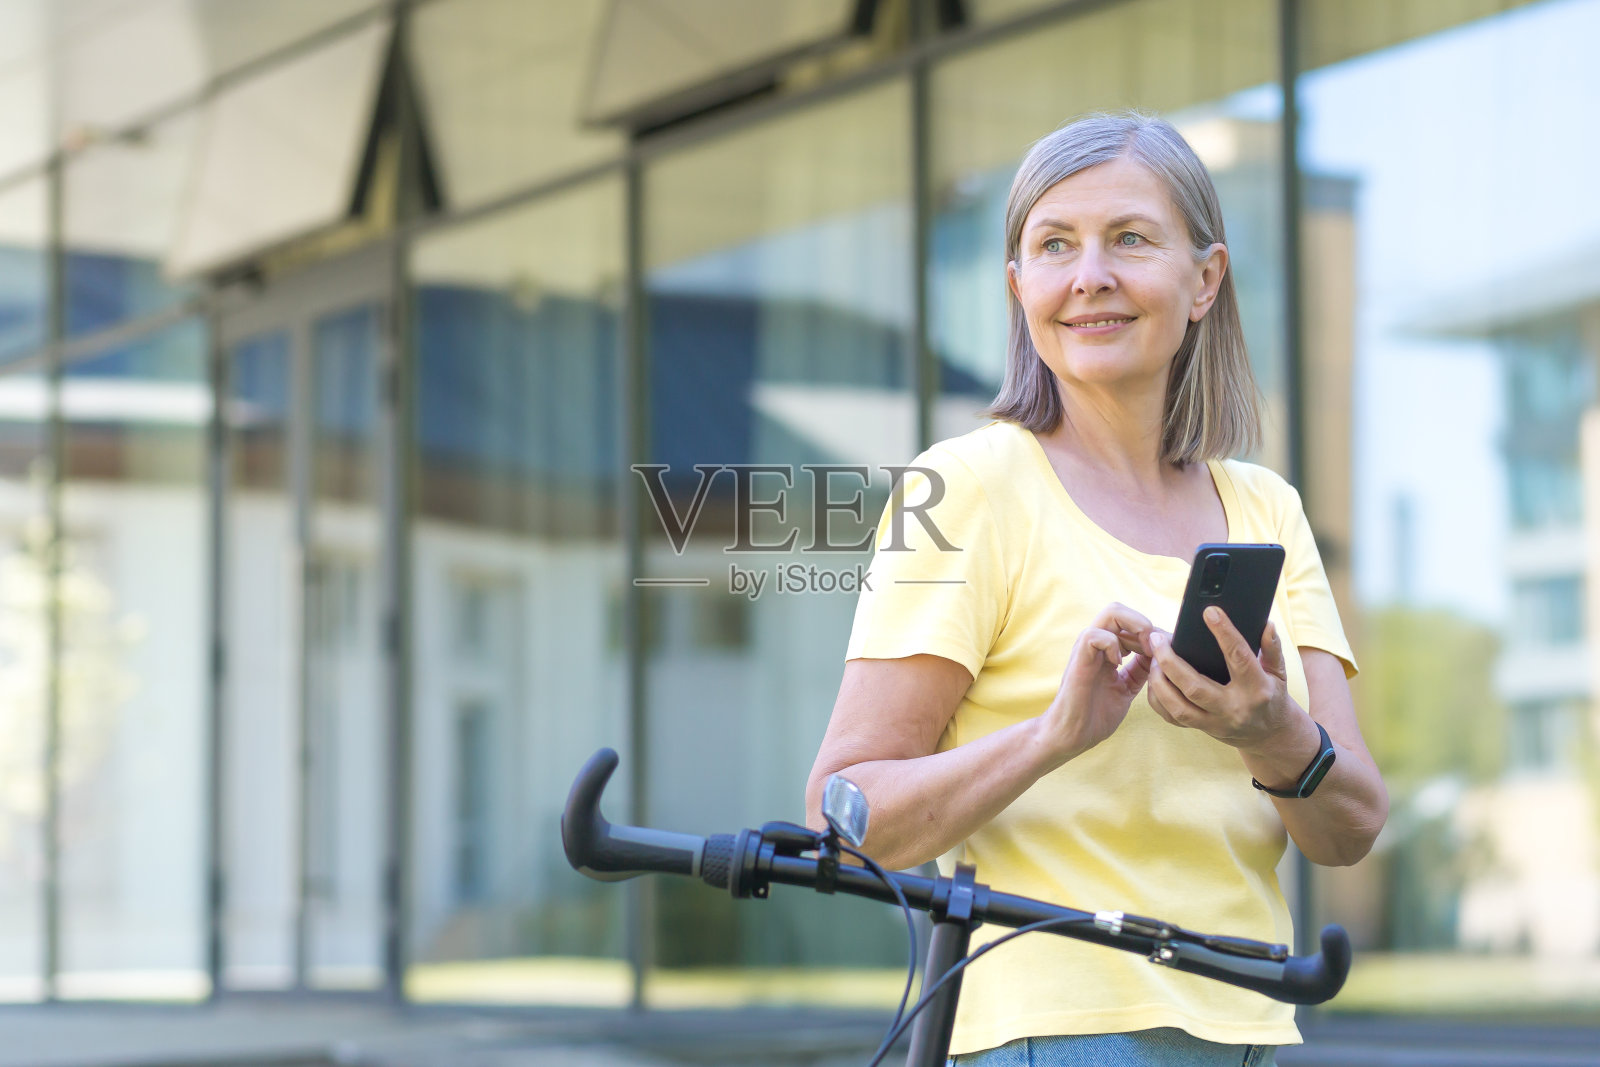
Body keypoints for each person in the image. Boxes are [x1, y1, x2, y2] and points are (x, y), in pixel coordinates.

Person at [804, 111, 1388, 1067]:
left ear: (1206, 280)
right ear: (1018, 288)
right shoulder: (968, 488)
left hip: (1246, 1026)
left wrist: (1268, 731)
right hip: (1057, 1032)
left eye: (1130, 238)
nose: (1090, 277)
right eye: (1054, 246)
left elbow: (1351, 827)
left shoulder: (1265, 511)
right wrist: (1051, 737)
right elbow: (844, 806)